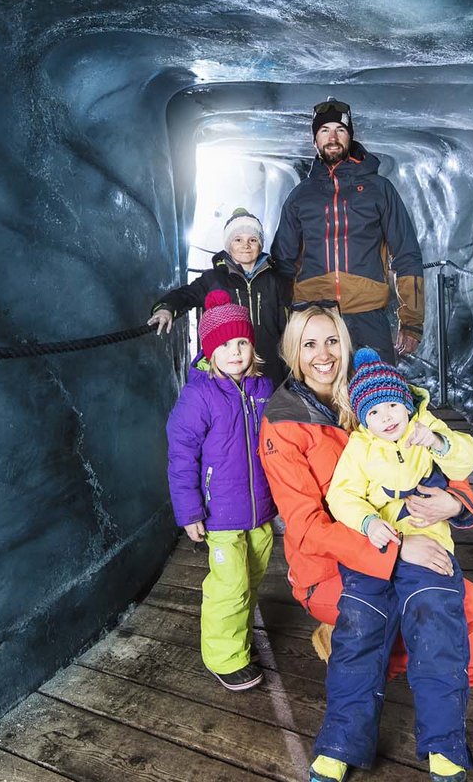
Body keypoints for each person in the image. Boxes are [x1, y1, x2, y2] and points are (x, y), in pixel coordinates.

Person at [258, 303, 473, 687]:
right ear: (293, 352)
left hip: (404, 535)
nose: (323, 355)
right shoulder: (282, 423)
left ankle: (366, 643)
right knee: (465, 608)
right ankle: (356, 641)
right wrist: (396, 549)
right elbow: (306, 527)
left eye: (332, 341)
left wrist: (455, 502)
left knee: (472, 666)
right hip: (333, 566)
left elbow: (435, 443)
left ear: (345, 343)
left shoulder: (374, 391)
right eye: (309, 344)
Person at [314, 347, 473, 781]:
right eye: (373, 411)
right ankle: (340, 743)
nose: (386, 417)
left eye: (392, 405)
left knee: (437, 623)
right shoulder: (359, 448)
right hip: (375, 551)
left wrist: (439, 442)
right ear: (362, 418)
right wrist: (368, 522)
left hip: (427, 547)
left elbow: (467, 458)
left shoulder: (427, 428)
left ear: (406, 404)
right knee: (357, 634)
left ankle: (444, 745)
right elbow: (341, 495)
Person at [164, 290, 277, 691]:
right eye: (225, 345)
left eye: (242, 342)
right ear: (210, 350)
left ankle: (239, 640)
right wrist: (190, 511)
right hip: (220, 513)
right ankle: (225, 658)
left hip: (260, 510)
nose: (235, 352)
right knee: (230, 586)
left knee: (252, 578)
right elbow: (181, 455)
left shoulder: (263, 388)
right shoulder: (199, 395)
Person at [270, 99, 425, 362]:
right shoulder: (300, 196)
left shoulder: (380, 189)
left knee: (376, 386)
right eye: (324, 131)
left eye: (340, 130)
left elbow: (406, 254)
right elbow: (283, 263)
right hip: (314, 317)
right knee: (318, 387)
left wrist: (411, 322)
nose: (332, 138)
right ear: (315, 140)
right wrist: (281, 321)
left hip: (369, 316)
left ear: (350, 135)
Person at [148, 207, 286, 369]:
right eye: (238, 240)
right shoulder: (213, 279)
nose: (246, 245)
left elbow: (287, 324)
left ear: (260, 245)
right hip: (229, 368)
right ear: (228, 245)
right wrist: (167, 308)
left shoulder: (274, 280)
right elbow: (186, 294)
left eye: (253, 240)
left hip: (271, 366)